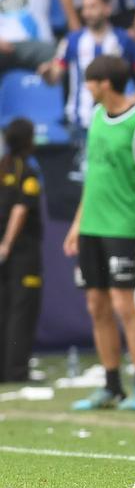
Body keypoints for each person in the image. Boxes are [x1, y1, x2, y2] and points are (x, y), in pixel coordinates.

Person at [63, 55, 135, 411]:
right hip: (93, 225)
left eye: (91, 82)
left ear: (105, 83)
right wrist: (78, 224)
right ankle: (111, 385)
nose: (88, 88)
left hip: (124, 226)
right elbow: (94, 177)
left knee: (124, 303)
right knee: (96, 306)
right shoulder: (95, 118)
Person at [44, 0, 135, 132]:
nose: (87, 13)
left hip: (116, 121)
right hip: (79, 122)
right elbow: (54, 76)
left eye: (93, 7)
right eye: (84, 8)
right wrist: (47, 73)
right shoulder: (72, 40)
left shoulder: (124, 39)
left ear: (107, 8)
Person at [0, 118, 42, 383]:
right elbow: (21, 209)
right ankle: (16, 372)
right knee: (21, 311)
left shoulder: (3, 167)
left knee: (4, 310)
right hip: (21, 254)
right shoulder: (26, 172)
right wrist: (6, 245)